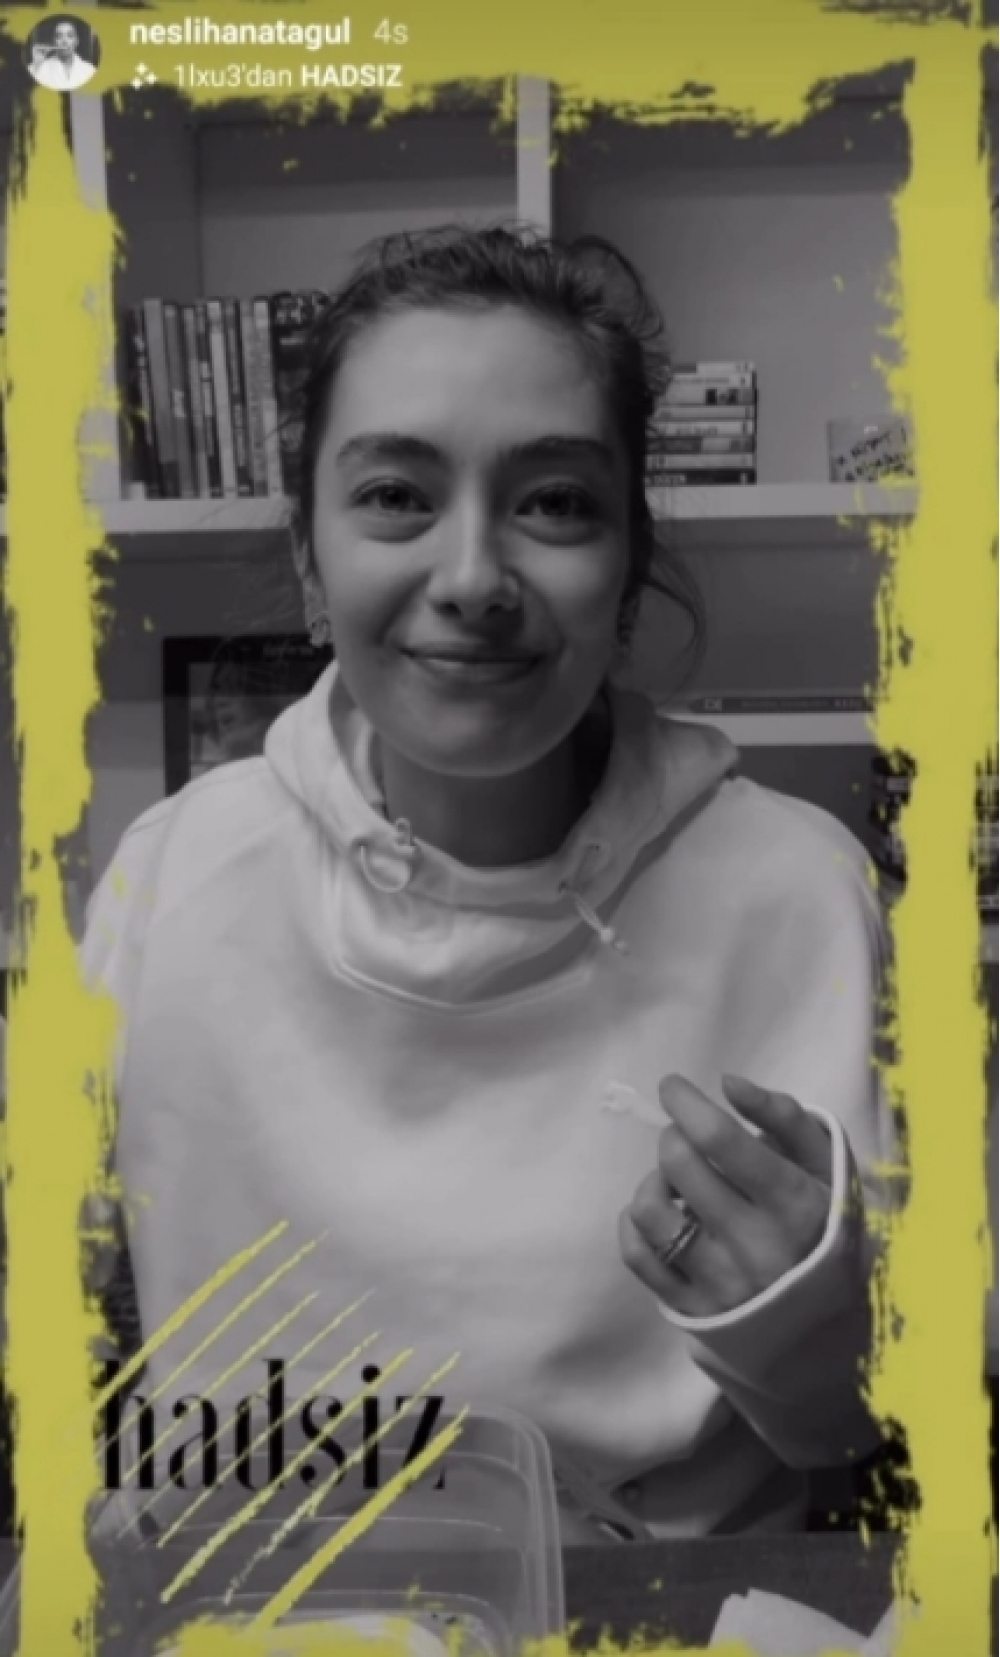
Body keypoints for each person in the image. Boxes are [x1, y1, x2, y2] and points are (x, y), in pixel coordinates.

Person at [81, 226, 896, 1543]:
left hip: (656, 1610)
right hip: (268, 1604)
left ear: (627, 568)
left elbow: (866, 1434)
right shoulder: (172, 875)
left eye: (555, 502)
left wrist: (810, 1330)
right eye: (395, 495)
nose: (471, 580)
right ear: (310, 557)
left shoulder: (800, 891)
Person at [28, 19, 96, 91]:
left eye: (70, 36)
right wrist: (36, 64)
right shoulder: (40, 67)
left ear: (76, 41)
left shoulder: (89, 70)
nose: (64, 41)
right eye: (59, 36)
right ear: (54, 42)